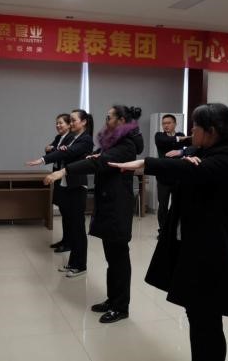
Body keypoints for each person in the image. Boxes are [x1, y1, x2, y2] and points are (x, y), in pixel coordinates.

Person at [111, 103, 228, 361]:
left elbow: (192, 170)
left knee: (207, 319)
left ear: (210, 131)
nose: (191, 131)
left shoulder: (227, 157)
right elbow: (176, 173)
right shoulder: (200, 151)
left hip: (209, 251)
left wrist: (145, 163)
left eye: (196, 127)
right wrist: (185, 160)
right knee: (196, 312)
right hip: (191, 246)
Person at [44, 105, 143, 323]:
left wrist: (64, 170)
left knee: (118, 257)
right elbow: (98, 157)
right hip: (108, 204)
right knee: (111, 256)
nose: (105, 121)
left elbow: (99, 162)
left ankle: (121, 306)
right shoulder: (114, 142)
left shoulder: (126, 145)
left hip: (118, 207)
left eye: (109, 117)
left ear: (121, 121)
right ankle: (112, 299)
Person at [27, 109, 94, 277]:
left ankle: (80, 265)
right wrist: (52, 153)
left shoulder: (86, 139)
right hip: (67, 185)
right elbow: (62, 152)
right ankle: (73, 263)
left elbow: (68, 152)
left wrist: (43, 159)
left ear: (84, 122)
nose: (71, 123)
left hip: (77, 186)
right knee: (72, 225)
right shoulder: (74, 138)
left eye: (73, 120)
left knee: (78, 228)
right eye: (69, 120)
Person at [154, 114, 190, 237]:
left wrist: (181, 140)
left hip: (177, 176)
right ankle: (162, 231)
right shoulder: (159, 136)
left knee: (176, 205)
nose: (166, 125)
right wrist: (180, 139)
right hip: (163, 177)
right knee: (163, 206)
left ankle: (173, 230)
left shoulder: (180, 134)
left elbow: (191, 143)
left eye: (169, 123)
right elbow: (165, 141)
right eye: (164, 123)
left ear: (175, 124)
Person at [45, 113, 74, 253]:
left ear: (69, 125)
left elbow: (62, 153)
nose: (58, 125)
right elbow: (51, 153)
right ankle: (65, 240)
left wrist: (52, 149)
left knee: (68, 212)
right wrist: (50, 149)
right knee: (63, 210)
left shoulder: (71, 138)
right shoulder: (58, 137)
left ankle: (69, 243)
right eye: (57, 123)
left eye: (61, 123)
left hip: (67, 178)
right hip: (57, 176)